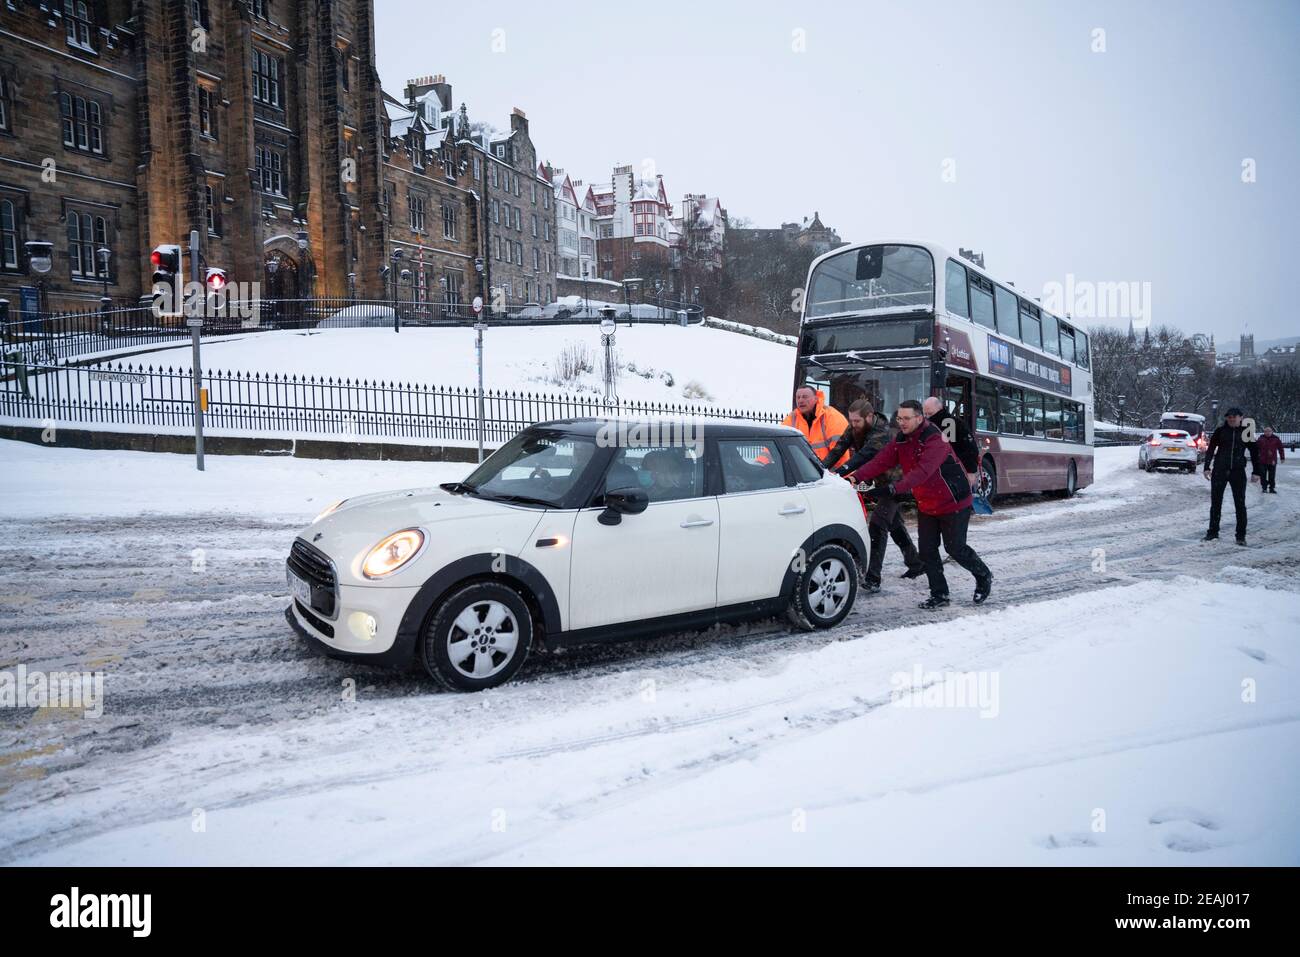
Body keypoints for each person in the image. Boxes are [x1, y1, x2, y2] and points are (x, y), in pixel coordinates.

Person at [852, 400, 993, 609]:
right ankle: (940, 594)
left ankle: (983, 576)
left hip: (954, 500)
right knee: (927, 551)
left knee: (955, 548)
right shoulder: (902, 440)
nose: (902, 422)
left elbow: (922, 472)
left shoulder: (935, 439)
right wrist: (855, 476)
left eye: (907, 418)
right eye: (899, 418)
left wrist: (893, 488)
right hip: (928, 503)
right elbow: (881, 460)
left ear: (920, 418)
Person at [826, 399, 924, 591]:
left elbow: (862, 456)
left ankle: (872, 578)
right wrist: (820, 470)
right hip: (882, 485)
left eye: (856, 421)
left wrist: (839, 473)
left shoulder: (882, 432)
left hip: (897, 484)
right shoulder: (855, 427)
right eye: (851, 421)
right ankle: (916, 564)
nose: (853, 425)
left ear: (869, 417)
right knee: (894, 525)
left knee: (878, 525)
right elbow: (839, 449)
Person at [1202, 407, 1260, 544]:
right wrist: (1206, 467)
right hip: (1220, 470)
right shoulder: (1220, 431)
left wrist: (1257, 471)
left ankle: (1240, 536)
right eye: (1229, 417)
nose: (1232, 419)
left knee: (1240, 504)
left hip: (1237, 471)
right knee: (1216, 503)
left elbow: (1254, 452)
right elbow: (1210, 449)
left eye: (1234, 417)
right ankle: (1213, 532)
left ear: (1241, 417)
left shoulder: (1247, 432)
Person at [783, 385, 849, 469]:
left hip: (832, 477)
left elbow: (840, 452)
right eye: (798, 397)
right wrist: (761, 464)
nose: (800, 400)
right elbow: (777, 444)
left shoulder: (832, 417)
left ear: (816, 398)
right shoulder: (792, 418)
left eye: (805, 397)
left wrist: (827, 474)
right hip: (805, 476)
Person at [922, 395, 981, 486]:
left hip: (954, 472)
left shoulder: (952, 425)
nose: (927, 417)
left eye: (930, 413)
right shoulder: (931, 426)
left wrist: (970, 471)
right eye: (925, 414)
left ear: (940, 409)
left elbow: (970, 449)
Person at [1256, 426, 1285, 494]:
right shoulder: (1260, 439)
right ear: (1264, 432)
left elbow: (1281, 448)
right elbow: (1256, 449)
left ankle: (1272, 488)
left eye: (1269, 431)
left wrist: (1282, 457)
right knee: (1263, 475)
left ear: (1272, 432)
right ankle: (1264, 488)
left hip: (1272, 460)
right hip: (1262, 460)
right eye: (1266, 431)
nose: (1268, 432)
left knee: (1272, 475)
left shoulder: (1276, 439)